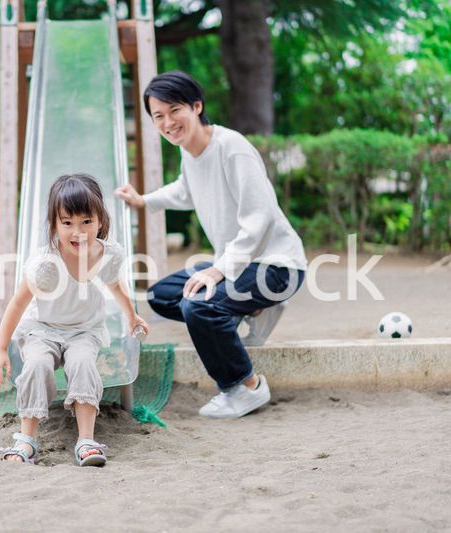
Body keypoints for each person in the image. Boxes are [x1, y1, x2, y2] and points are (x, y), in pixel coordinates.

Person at [115, 70, 307, 420]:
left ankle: (245, 386)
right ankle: (248, 310)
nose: (168, 122)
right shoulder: (191, 152)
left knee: (198, 306)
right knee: (162, 296)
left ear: (197, 106)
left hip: (277, 266)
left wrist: (218, 270)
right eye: (158, 116)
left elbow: (258, 217)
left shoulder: (231, 148)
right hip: (240, 265)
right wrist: (143, 201)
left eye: (175, 111)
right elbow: (184, 190)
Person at [0, 173, 148, 466]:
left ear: (101, 221)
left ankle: (86, 440)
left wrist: (132, 315)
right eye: (67, 223)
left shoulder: (109, 255)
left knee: (83, 363)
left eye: (87, 221)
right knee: (36, 364)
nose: (78, 232)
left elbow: (115, 286)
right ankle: (28, 440)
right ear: (55, 224)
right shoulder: (46, 265)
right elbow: (17, 303)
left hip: (84, 331)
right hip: (42, 330)